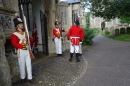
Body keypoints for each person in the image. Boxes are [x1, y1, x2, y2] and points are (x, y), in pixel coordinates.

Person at [11, 16, 34, 84]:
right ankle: (23, 78)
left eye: (22, 23)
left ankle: (30, 78)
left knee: (29, 64)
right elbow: (14, 44)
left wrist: (30, 40)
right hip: (21, 51)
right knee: (22, 65)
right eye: (20, 24)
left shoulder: (25, 32)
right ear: (17, 25)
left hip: (27, 51)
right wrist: (24, 46)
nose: (22, 25)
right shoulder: (14, 34)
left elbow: (30, 40)